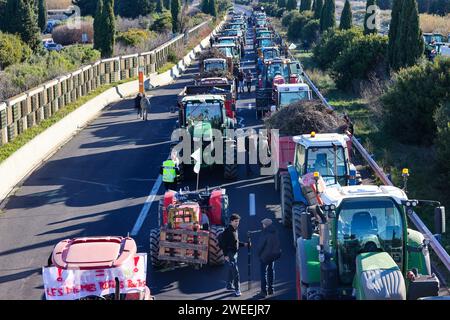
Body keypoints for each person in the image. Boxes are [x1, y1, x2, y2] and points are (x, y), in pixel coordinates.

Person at [220, 213, 249, 297]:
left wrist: (245, 244)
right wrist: (225, 255)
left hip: (235, 253)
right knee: (235, 272)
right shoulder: (227, 231)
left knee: (231, 269)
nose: (237, 223)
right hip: (230, 254)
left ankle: (229, 285)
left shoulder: (235, 229)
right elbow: (223, 244)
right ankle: (237, 290)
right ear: (231, 221)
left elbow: (236, 243)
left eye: (238, 221)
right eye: (236, 221)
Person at [255, 218, 281, 298]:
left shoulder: (265, 232)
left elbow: (261, 245)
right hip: (273, 255)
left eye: (263, 224)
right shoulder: (275, 231)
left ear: (265, 225)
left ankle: (263, 291)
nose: (262, 225)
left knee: (263, 273)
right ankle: (271, 289)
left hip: (265, 256)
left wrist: (258, 253)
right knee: (271, 271)